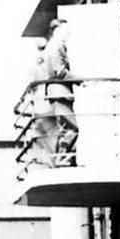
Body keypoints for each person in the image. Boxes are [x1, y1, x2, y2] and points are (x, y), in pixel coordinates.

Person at [40, 18, 78, 164]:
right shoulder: (55, 46)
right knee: (71, 128)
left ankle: (64, 160)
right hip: (59, 93)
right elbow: (59, 71)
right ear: (57, 30)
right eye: (65, 30)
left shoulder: (53, 45)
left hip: (59, 93)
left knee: (66, 128)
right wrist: (79, 79)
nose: (67, 34)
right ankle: (65, 161)